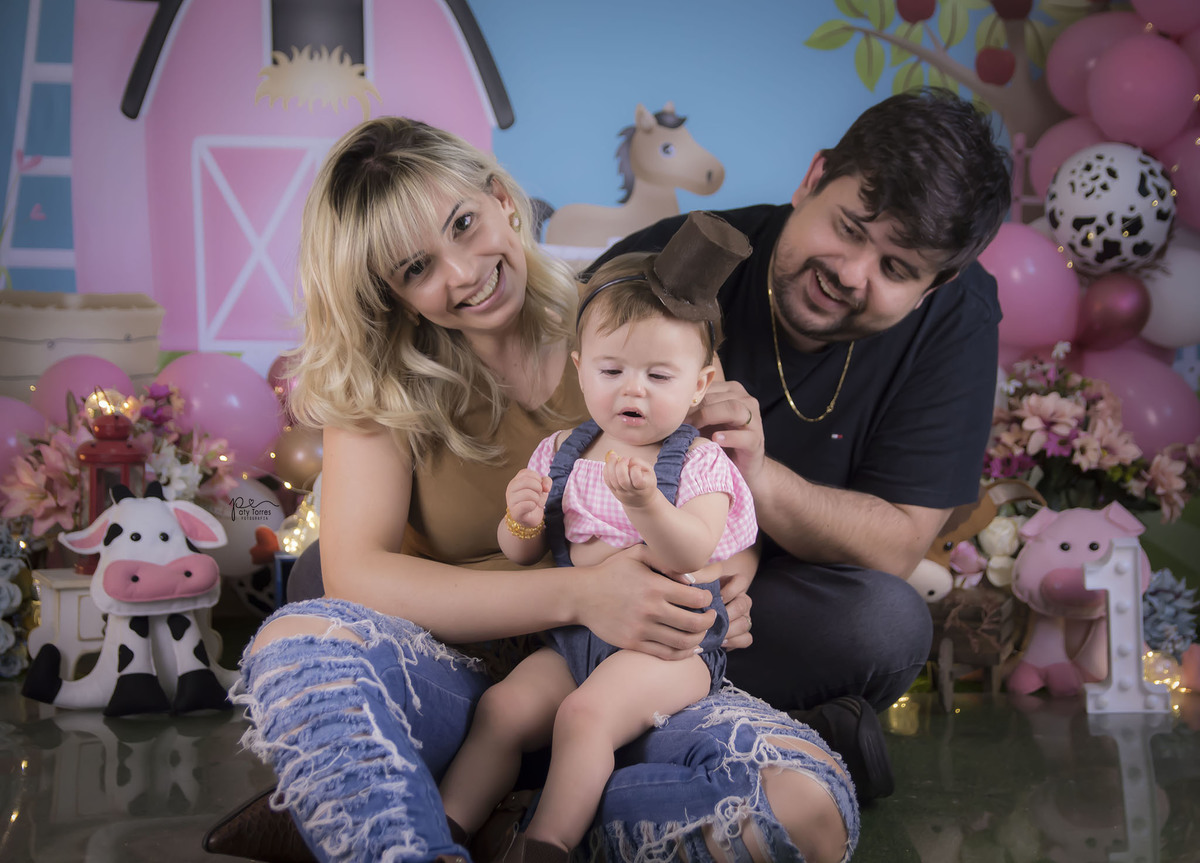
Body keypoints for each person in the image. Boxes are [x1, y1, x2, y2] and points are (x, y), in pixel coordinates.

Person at [227, 116, 857, 863]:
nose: (463, 272)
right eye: (417, 267)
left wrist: (721, 580)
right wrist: (581, 595)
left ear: (502, 200)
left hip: (630, 674)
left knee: (807, 811)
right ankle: (438, 838)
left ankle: (515, 830)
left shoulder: (624, 327)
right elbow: (356, 574)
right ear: (389, 291)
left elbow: (712, 503)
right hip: (455, 679)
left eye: (464, 224)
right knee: (296, 645)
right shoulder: (379, 383)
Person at [589, 87, 1013, 802]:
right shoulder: (677, 258)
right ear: (813, 177)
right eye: (849, 228)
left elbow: (897, 542)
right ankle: (745, 741)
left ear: (935, 284)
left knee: (885, 623)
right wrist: (667, 568)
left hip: (771, 610)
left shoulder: (958, 317)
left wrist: (755, 474)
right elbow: (562, 451)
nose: (852, 272)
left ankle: (632, 734)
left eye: (896, 269)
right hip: (620, 576)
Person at [438, 213, 759, 863]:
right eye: (612, 370)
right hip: (574, 638)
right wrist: (520, 518)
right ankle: (443, 831)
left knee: (584, 716)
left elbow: (692, 550)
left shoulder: (698, 463)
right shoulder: (562, 451)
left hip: (668, 648)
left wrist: (646, 504)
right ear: (582, 370)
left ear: (699, 384)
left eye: (659, 376)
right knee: (503, 708)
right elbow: (524, 554)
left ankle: (547, 843)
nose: (632, 389)